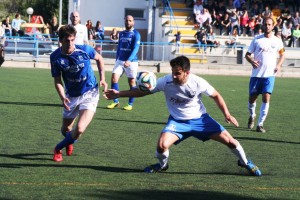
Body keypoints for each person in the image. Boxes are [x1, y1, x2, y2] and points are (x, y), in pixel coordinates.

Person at [104, 55, 262, 176]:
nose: (174, 76)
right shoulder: (165, 82)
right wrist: (119, 93)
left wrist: (227, 114)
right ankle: (162, 165)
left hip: (201, 120)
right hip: (178, 122)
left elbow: (216, 95)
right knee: (161, 145)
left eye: (177, 73)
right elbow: (142, 92)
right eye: (172, 72)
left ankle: (245, 162)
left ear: (187, 72)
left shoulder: (197, 82)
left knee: (231, 142)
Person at [50, 24, 108, 162]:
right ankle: (69, 141)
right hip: (71, 96)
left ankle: (58, 148)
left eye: (72, 40)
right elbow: (57, 80)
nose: (70, 43)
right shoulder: (55, 57)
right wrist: (63, 97)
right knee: (66, 130)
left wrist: (103, 79)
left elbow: (100, 59)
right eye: (66, 40)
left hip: (90, 92)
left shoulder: (85, 50)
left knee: (80, 129)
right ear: (60, 40)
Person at [245, 17, 285, 133]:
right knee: (252, 99)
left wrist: (278, 65)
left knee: (266, 97)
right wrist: (252, 61)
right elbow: (247, 55)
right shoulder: (257, 39)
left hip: (269, 75)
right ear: (263, 25)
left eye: (269, 24)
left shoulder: (277, 41)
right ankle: (252, 115)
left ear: (273, 26)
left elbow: (282, 55)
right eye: (265, 24)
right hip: (256, 76)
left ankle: (260, 124)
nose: (267, 26)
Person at [106, 15, 141, 111]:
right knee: (114, 78)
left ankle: (130, 104)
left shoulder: (136, 34)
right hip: (120, 61)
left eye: (130, 21)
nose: (128, 22)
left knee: (132, 82)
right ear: (124, 21)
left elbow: (136, 48)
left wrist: (129, 60)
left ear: (133, 22)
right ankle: (115, 101)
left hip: (132, 62)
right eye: (126, 21)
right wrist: (117, 58)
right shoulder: (121, 33)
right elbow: (119, 47)